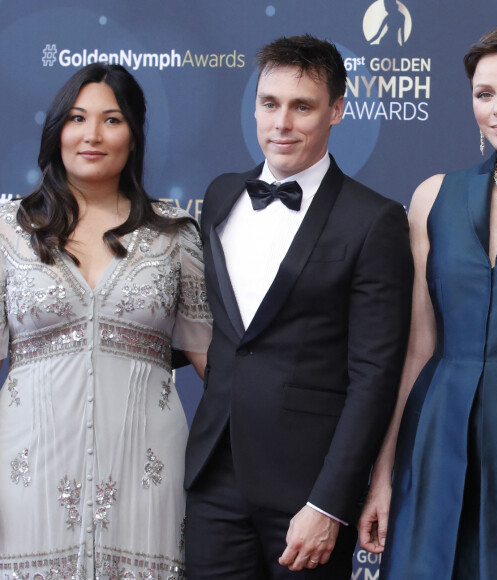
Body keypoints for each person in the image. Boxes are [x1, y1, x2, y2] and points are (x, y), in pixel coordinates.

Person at [183, 34, 413, 579]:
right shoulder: (220, 196)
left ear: (336, 110)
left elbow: (374, 373)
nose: (281, 122)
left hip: (306, 491)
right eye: (269, 104)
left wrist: (331, 502)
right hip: (214, 476)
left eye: (302, 106)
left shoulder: (373, 219)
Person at [358, 27, 497, 579]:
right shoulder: (434, 196)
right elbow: (415, 349)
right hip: (436, 435)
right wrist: (383, 473)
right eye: (484, 94)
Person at [0, 64, 212, 578]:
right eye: (77, 118)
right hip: (28, 473)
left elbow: (219, 369)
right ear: (57, 132)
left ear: (134, 136)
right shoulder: (9, 231)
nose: (92, 135)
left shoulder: (175, 234)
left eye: (111, 120)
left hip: (148, 474)